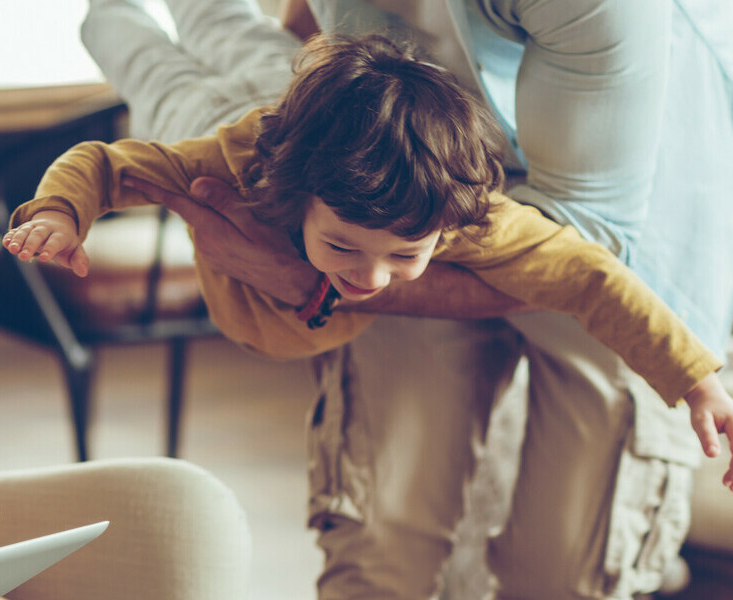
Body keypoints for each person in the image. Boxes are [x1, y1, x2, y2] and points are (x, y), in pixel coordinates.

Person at [71, 0, 733, 598]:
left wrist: (308, 282)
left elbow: (584, 256)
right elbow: (113, 161)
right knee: (381, 544)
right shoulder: (278, 169)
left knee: (565, 570)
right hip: (387, 187)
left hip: (584, 226)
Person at [3, 30, 733, 467]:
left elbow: (593, 278)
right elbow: (106, 161)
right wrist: (63, 214)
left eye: (402, 255)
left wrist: (695, 378)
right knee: (161, 57)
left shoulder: (468, 217)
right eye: (344, 246)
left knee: (236, 47)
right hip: (222, 134)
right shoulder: (240, 163)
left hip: (288, 111)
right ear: (300, 197)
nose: (373, 278)